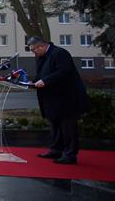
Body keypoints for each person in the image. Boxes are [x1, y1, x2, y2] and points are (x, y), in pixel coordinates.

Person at [28, 36, 88, 165]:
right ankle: (56, 149)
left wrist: (45, 81)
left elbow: (64, 71)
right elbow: (41, 74)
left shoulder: (60, 53)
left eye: (34, 50)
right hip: (52, 98)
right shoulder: (42, 57)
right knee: (54, 124)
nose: (33, 52)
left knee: (68, 127)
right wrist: (32, 83)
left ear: (41, 46)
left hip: (66, 97)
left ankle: (70, 154)